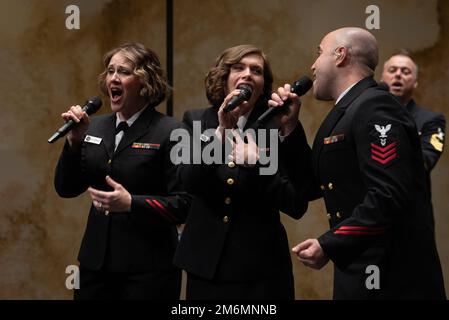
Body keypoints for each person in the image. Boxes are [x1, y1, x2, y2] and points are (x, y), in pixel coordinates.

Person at [272, 27, 446, 299]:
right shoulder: (344, 112)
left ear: (340, 55)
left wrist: (330, 244)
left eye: (319, 53)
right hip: (358, 267)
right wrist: (290, 129)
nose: (313, 65)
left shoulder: (375, 106)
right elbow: (311, 186)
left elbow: (387, 196)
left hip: (392, 278)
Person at [173, 44, 314, 299]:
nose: (248, 74)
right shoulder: (196, 121)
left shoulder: (277, 125)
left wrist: (262, 159)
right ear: (224, 78)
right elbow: (189, 182)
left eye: (256, 70)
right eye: (238, 68)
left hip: (261, 268)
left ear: (263, 85)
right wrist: (220, 134)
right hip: (207, 265)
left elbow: (296, 203)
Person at [54, 43, 191, 299]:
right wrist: (73, 143)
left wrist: (132, 203)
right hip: (95, 268)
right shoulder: (92, 127)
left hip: (149, 270)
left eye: (124, 71)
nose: (113, 78)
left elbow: (184, 204)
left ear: (146, 82)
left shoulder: (174, 131)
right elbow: (66, 188)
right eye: (110, 71)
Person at [381, 50, 445, 226]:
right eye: (393, 70)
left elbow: (426, 160)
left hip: (412, 216)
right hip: (374, 213)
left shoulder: (431, 120)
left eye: (405, 71)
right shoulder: (369, 117)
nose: (398, 75)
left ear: (415, 82)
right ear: (382, 78)